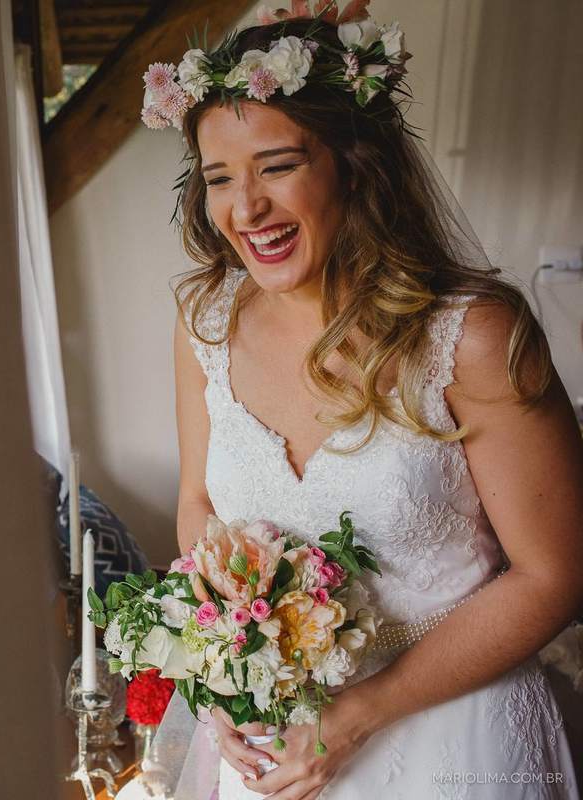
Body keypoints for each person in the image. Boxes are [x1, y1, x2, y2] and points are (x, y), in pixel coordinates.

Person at [141, 2, 583, 798]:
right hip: (275, 751)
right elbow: (198, 503)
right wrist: (221, 672)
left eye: (276, 166)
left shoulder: (474, 336)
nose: (246, 210)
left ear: (353, 161)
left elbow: (555, 574)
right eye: (218, 179)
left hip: (457, 740)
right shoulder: (202, 325)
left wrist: (360, 712)